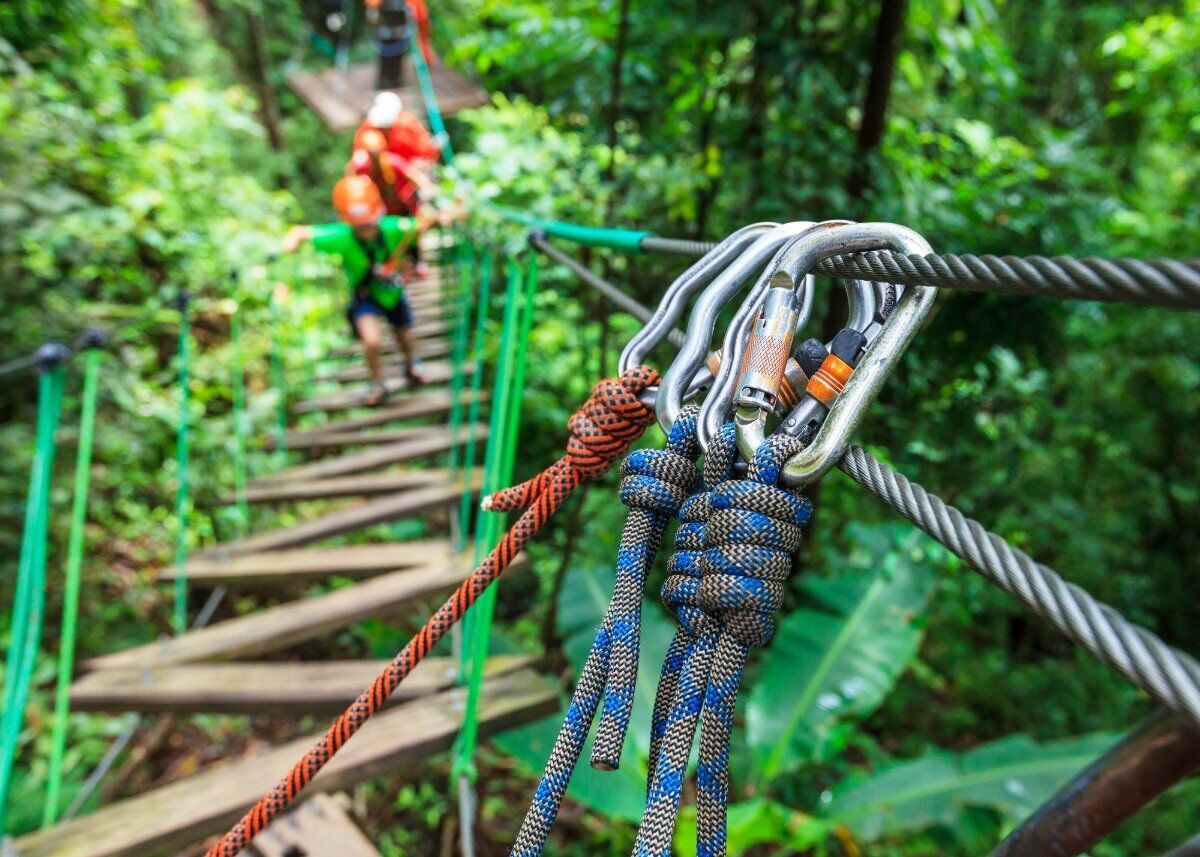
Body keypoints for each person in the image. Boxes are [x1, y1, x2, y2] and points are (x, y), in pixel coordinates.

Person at [281, 175, 429, 406]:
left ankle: (412, 364)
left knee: (404, 335)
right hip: (365, 296)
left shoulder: (392, 228)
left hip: (393, 293)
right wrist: (290, 241)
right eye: (359, 226)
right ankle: (377, 383)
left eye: (369, 223)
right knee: (371, 340)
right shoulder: (341, 236)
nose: (365, 229)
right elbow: (302, 232)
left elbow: (421, 223)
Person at [347, 128, 436, 276]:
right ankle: (392, 270)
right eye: (370, 153)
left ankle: (418, 263)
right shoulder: (361, 168)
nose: (374, 157)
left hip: (401, 207)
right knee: (386, 241)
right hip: (381, 213)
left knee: (412, 233)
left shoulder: (393, 162)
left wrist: (427, 191)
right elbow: (351, 185)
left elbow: (416, 177)